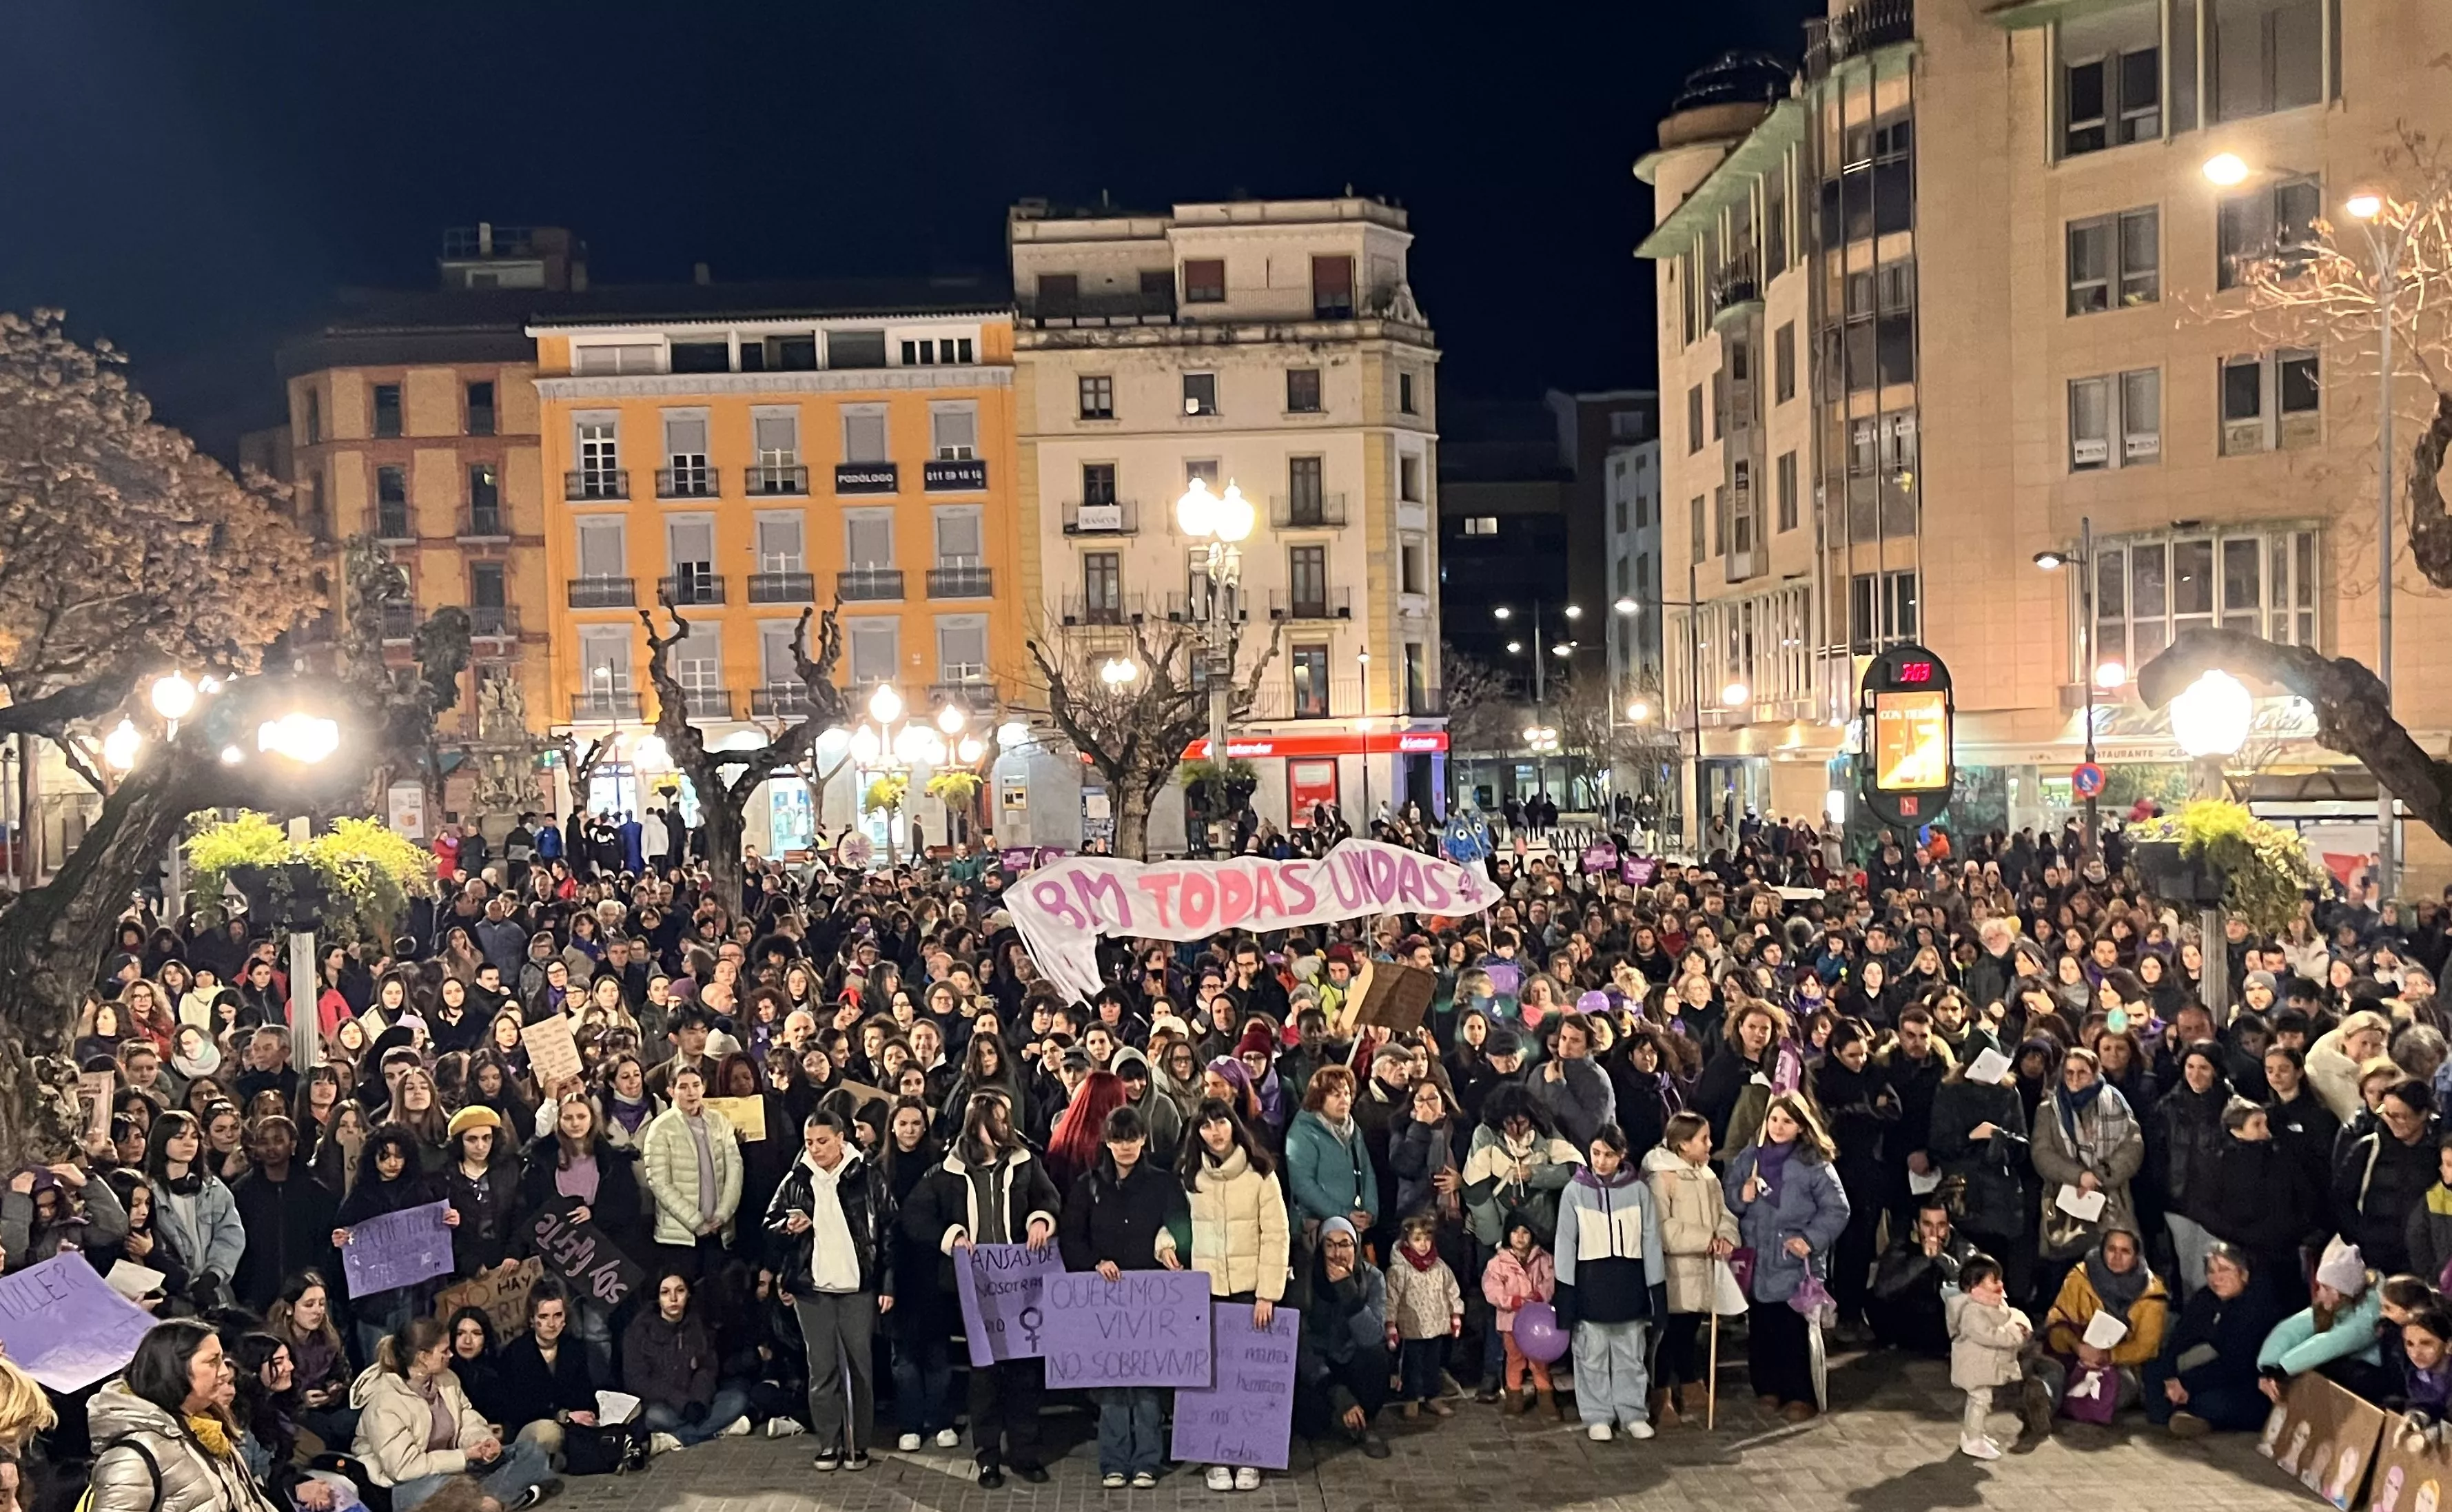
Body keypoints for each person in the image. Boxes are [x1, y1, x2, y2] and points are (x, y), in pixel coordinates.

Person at [901, 1092, 1060, 1488]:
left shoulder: (1026, 1163)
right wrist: (952, 1236)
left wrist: (1041, 1219)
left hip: (1020, 1286)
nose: (1004, 1128)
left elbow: (1049, 1197)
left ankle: (1024, 1452)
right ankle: (987, 1455)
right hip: (975, 1290)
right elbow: (915, 1214)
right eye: (997, 1121)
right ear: (977, 1125)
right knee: (984, 1376)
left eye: (1006, 1121)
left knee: (1024, 1372)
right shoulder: (947, 1171)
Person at [1056, 1105, 1187, 1489]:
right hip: (1105, 1300)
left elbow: (1179, 1224)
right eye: (1118, 1140)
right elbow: (1071, 1237)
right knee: (1112, 1380)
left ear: (1143, 1140)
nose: (1126, 1147)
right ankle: (1113, 1461)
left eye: (1132, 1138)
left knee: (1146, 1379)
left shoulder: (1163, 1183)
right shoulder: (1088, 1185)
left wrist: (1169, 1245)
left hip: (1150, 1298)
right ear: (1107, 1143)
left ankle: (1147, 1460)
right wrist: (1094, 1263)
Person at [766, 1107, 892, 1473]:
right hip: (813, 1289)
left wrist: (886, 1284)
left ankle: (858, 1445)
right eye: (809, 1142)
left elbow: (888, 1232)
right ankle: (828, 1444)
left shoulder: (867, 1176)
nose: (816, 1149)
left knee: (859, 1369)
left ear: (841, 1139)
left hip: (857, 1287)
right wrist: (790, 1226)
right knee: (821, 1370)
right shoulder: (797, 1179)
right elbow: (769, 1223)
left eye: (823, 1141)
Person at [1180, 1098, 1290, 1492]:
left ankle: (1251, 1456)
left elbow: (1277, 1235)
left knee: (1249, 1380)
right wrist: (1165, 1244)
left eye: (1221, 1122)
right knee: (1210, 1380)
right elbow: (1177, 1223)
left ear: (1233, 1125)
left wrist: (1268, 1294)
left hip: (1248, 1293)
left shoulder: (1261, 1174)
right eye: (1207, 1126)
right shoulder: (1191, 1176)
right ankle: (1214, 1455)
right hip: (1205, 1292)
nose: (1215, 1132)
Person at [1723, 1092, 1850, 1422]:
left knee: (1792, 1330)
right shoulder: (1750, 1157)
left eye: (1787, 1121)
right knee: (1761, 1327)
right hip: (1758, 1258)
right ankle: (1767, 1386)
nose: (1778, 1127)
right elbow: (1729, 1197)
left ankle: (1800, 1393)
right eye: (1774, 1119)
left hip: (1795, 1262)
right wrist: (1741, 1196)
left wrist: (1810, 1239)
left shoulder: (1814, 1163)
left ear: (1801, 1127)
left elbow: (1837, 1209)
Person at [355, 1316, 558, 1511]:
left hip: (459, 1469)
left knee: (531, 1453)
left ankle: (482, 1504)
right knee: (441, 1488)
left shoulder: (447, 1379)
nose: (451, 1355)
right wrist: (463, 1456)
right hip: (411, 1484)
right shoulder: (386, 1402)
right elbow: (404, 1469)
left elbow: (466, 1418)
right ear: (423, 1357)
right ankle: (501, 1500)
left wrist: (481, 1441)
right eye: (444, 1351)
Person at [1553, 1123, 1665, 1442]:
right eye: (1596, 1153)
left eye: (1609, 1155)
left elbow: (1651, 1242)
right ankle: (1597, 1414)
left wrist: (1656, 1291)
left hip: (1629, 1286)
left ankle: (1632, 1412)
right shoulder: (1574, 1191)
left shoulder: (1638, 1191)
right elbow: (1565, 1244)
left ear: (1622, 1155)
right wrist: (1566, 1294)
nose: (1601, 1161)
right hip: (1591, 1287)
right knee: (1592, 1354)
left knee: (1631, 1353)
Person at [86, 1320, 269, 1512]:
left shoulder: (209, 1428)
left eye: (222, 1360)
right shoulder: (133, 1455)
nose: (224, 1372)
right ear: (174, 1368)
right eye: (212, 1361)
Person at [1644, 1110, 1739, 1425]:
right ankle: (1661, 1393)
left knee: (1689, 1332)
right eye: (1703, 1139)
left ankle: (1691, 1383)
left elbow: (1724, 1213)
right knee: (1668, 1335)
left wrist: (1725, 1236)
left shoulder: (1707, 1175)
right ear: (1683, 1145)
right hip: (1675, 1272)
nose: (1710, 1145)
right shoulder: (1662, 1178)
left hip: (1703, 1268)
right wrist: (1705, 1239)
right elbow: (1663, 1227)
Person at [2147, 1243, 2290, 1435]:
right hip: (2196, 1371)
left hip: (2241, 1381)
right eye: (2211, 1271)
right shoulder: (2204, 1299)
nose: (2216, 1278)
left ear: (2244, 1274)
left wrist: (2187, 1383)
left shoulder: (2257, 1308)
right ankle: (2182, 1411)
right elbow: (2178, 1341)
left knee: (2214, 1402)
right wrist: (2172, 1378)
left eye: (2224, 1270)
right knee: (2154, 1371)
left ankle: (2191, 1414)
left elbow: (2235, 1364)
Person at [2034, 1225, 2169, 1416]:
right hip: (2075, 1353)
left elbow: (2146, 1346)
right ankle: (2044, 1400)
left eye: (2125, 1251)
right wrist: (2078, 1347)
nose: (2117, 1257)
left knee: (2119, 1389)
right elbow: (2058, 1319)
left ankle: (2061, 1400)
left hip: (2121, 1364)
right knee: (2056, 1371)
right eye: (2111, 1249)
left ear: (2136, 1255)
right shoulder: (2080, 1276)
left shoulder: (2152, 1294)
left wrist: (2108, 1356)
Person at [1289, 1216, 1392, 1460]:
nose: (1338, 1253)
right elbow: (1301, 1343)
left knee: (1377, 1357)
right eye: (1330, 1245)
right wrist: (1338, 1394)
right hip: (1320, 1369)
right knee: (1311, 1422)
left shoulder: (1373, 1278)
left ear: (1355, 1248)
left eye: (1345, 1244)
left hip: (1353, 1360)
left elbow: (1371, 1337)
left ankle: (1365, 1421)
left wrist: (1347, 1290)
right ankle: (1343, 1414)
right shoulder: (1306, 1281)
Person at [622, 1269, 753, 1450]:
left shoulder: (698, 1325)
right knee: (655, 1416)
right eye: (666, 1292)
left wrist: (698, 1401)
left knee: (737, 1400)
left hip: (697, 1400)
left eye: (680, 1291)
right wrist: (682, 1402)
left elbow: (708, 1368)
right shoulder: (639, 1331)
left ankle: (675, 1439)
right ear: (657, 1297)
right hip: (665, 1404)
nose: (674, 1298)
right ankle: (717, 1429)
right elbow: (638, 1380)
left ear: (688, 1294)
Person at [638, 1063, 742, 1280]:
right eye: (683, 1087)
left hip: (718, 1230)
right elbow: (659, 1182)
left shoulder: (719, 1121)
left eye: (696, 1085)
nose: (691, 1092)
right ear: (671, 1091)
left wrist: (723, 1214)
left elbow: (735, 1169)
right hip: (680, 1236)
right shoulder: (661, 1128)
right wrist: (695, 1221)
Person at [2257, 1238, 2388, 1403]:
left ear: (2342, 1292)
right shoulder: (2337, 1304)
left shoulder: (2371, 1311)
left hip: (2374, 1374)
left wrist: (2282, 1369)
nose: (2319, 1293)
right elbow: (2294, 1327)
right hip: (2349, 1364)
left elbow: (2334, 1341)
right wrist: (2269, 1367)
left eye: (2326, 1288)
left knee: (2322, 1369)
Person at [144, 1111, 247, 1312]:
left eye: (194, 1137)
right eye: (179, 1137)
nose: (189, 1143)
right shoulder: (147, 1191)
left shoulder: (214, 1188)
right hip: (169, 1296)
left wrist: (214, 1274)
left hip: (213, 1293)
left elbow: (231, 1235)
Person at [492, 1283, 602, 1465]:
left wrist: (585, 1413)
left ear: (565, 1318)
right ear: (531, 1320)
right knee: (549, 1433)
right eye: (544, 1317)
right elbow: (517, 1407)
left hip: (572, 1424)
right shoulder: (516, 1352)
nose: (552, 1324)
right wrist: (562, 1415)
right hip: (534, 1426)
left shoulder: (574, 1348)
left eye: (557, 1315)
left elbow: (585, 1392)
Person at [1948, 1254, 2034, 1460]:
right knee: (1979, 1400)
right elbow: (1990, 1335)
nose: (2000, 1285)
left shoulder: (1992, 1304)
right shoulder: (1971, 1312)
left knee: (1983, 1401)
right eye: (1994, 1280)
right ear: (1974, 1285)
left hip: (1986, 1367)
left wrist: (2020, 1325)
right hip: (1976, 1367)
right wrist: (2015, 1334)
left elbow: (2010, 1315)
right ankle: (1972, 1439)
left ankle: (1974, 1434)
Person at [1870, 1198, 1979, 1356]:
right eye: (1927, 1225)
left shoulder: (1963, 1247)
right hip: (1909, 1319)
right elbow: (1883, 1289)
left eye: (1941, 1225)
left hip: (1945, 1322)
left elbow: (1974, 1284)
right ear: (1916, 1225)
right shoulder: (1902, 1245)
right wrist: (1923, 1260)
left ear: (1949, 1226)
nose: (1934, 1233)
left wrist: (1941, 1258)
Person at [1385, 1214, 1463, 1421]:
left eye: (1427, 1239)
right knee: (1412, 1365)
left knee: (1433, 1364)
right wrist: (1391, 1323)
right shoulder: (1399, 1271)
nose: (1424, 1245)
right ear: (1407, 1241)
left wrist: (1456, 1314)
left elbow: (1451, 1290)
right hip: (1412, 1328)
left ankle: (1432, 1396)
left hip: (1436, 1325)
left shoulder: (1440, 1267)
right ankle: (1411, 1398)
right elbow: (1391, 1298)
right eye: (1417, 1239)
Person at [1481, 1215, 1560, 1419]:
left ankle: (1545, 1395)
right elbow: (1492, 1290)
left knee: (1539, 1360)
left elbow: (1550, 1280)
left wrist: (1541, 1295)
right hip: (1511, 1321)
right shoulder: (1498, 1263)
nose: (1520, 1237)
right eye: (1515, 1232)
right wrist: (1511, 1301)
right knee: (1514, 1359)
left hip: (1538, 1322)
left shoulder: (1543, 1258)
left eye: (1525, 1232)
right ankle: (1514, 1396)